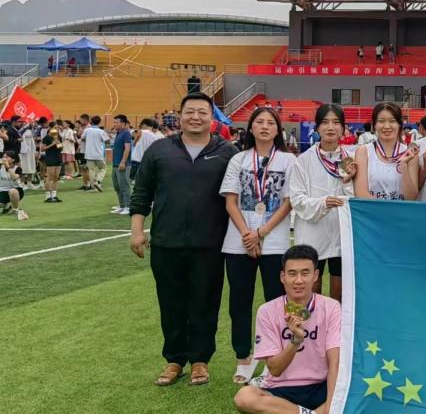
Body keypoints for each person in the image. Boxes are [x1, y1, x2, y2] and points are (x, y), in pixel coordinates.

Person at [130, 92, 239, 387]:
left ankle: (200, 360)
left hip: (211, 244)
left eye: (202, 112)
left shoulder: (227, 152)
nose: (196, 117)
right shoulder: (160, 150)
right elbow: (141, 193)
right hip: (166, 243)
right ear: (179, 116)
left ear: (212, 118)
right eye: (190, 111)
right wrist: (137, 230)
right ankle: (175, 360)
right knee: (171, 303)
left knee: (205, 302)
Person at [233, 245, 341, 414]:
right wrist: (295, 341)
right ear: (282, 277)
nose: (298, 280)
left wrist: (333, 398)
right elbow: (274, 369)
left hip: (320, 386)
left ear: (316, 276)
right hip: (281, 389)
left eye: (305, 273)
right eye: (292, 274)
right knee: (244, 398)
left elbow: (334, 362)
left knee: (352, 389)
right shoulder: (267, 311)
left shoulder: (331, 307)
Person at [221, 107, 296, 385]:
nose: (264, 126)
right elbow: (231, 201)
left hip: (274, 242)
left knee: (276, 301)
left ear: (278, 130)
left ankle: (272, 357)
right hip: (238, 241)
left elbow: (288, 202)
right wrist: (247, 234)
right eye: (259, 122)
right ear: (250, 128)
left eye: (270, 123)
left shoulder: (288, 160)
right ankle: (243, 357)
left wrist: (261, 233)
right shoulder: (238, 159)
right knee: (239, 300)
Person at [289, 104, 356, 301]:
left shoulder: (351, 159)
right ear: (317, 127)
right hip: (312, 234)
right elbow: (297, 200)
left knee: (339, 295)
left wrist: (347, 183)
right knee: (311, 292)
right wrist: (323, 203)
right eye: (325, 122)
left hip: (341, 235)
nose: (330, 127)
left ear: (343, 128)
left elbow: (357, 198)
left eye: (336, 123)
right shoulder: (304, 160)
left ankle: (336, 324)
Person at [355, 102, 414, 201]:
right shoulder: (363, 152)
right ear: (374, 124)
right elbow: (361, 194)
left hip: (401, 211)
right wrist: (386, 209)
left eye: (392, 121)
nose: (387, 126)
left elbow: (411, 197)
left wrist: (404, 166)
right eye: (381, 121)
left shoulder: (410, 153)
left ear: (399, 124)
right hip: (372, 210)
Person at [110, 115, 133, 215]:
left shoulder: (126, 133)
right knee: (117, 186)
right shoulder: (118, 133)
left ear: (123, 123)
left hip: (123, 164)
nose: (114, 124)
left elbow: (127, 148)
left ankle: (128, 206)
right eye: (114, 122)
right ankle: (122, 205)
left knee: (124, 185)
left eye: (116, 122)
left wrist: (123, 162)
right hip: (115, 164)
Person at [82, 116, 108, 192]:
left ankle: (93, 185)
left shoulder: (87, 130)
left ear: (91, 121)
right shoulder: (101, 131)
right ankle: (98, 181)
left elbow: (82, 138)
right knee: (103, 168)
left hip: (89, 153)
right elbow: (107, 140)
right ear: (99, 122)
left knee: (91, 170)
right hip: (98, 153)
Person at [0, 151, 28, 219]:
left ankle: (15, 209)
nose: (4, 159)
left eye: (6, 157)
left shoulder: (18, 169)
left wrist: (7, 167)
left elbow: (14, 177)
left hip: (16, 191)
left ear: (13, 159)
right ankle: (6, 206)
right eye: (3, 157)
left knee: (12, 191)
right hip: (2, 190)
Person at [40, 123, 63, 203]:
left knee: (56, 177)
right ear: (50, 128)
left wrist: (59, 144)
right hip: (50, 158)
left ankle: (54, 195)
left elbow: (60, 148)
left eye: (57, 128)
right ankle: (48, 196)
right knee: (49, 177)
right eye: (55, 127)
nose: (57, 129)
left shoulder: (58, 136)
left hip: (58, 158)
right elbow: (42, 149)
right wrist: (52, 144)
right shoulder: (46, 137)